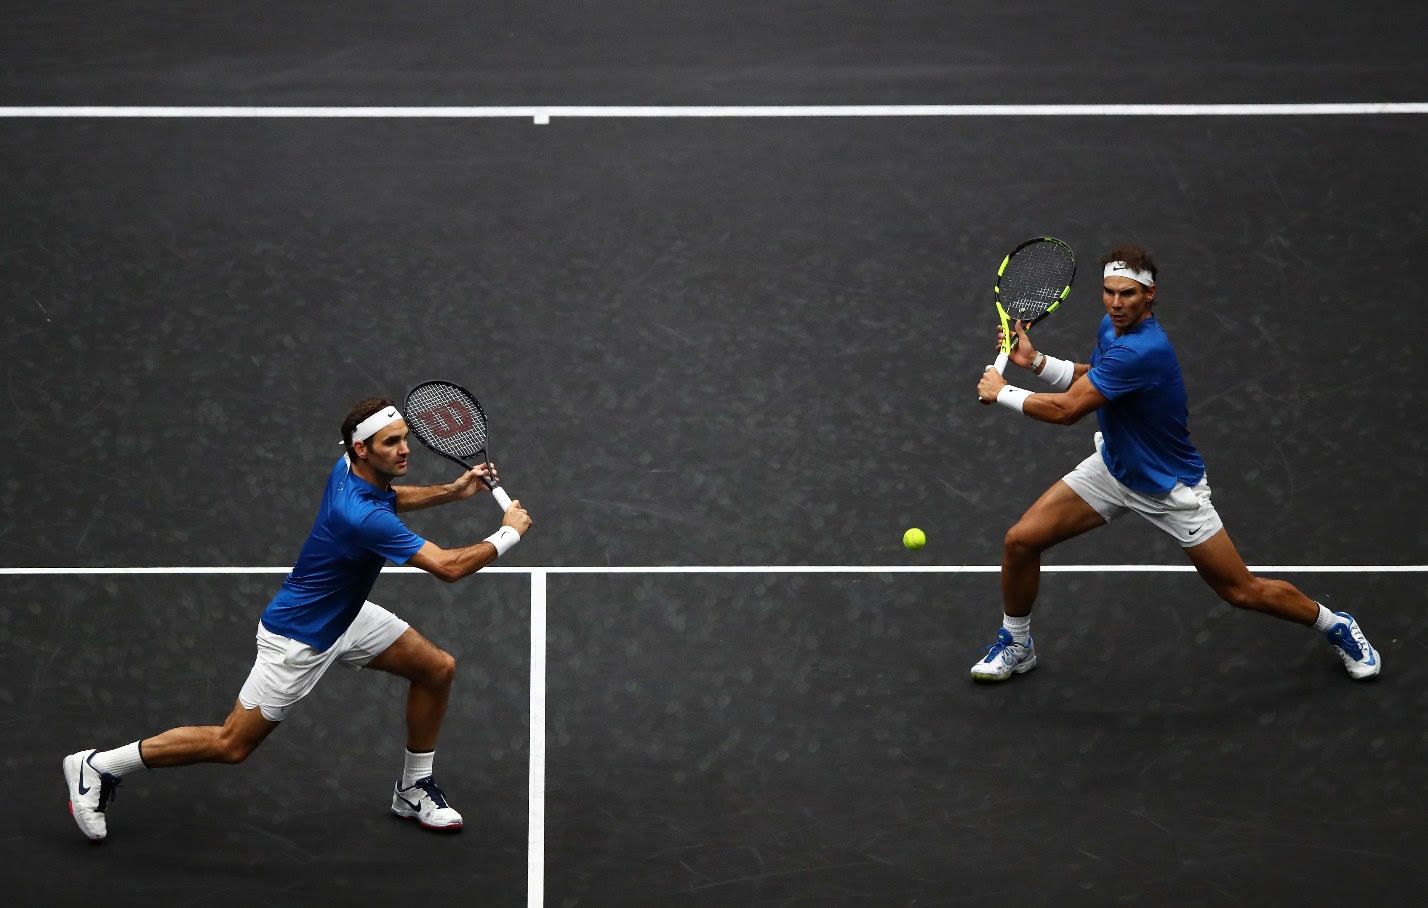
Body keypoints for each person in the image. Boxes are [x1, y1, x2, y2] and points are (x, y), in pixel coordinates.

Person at [62, 398, 533, 841]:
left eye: (405, 437)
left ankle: (413, 789)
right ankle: (100, 766)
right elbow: (448, 567)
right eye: (392, 442)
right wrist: (507, 533)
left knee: (436, 669)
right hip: (300, 636)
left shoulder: (350, 471)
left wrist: (450, 493)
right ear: (361, 448)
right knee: (232, 744)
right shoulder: (361, 516)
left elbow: (390, 497)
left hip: (345, 613)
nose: (405, 448)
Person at [971, 245, 1379, 683]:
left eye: (1127, 294)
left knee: (1240, 590)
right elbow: (1097, 380)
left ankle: (1334, 624)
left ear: (1150, 295)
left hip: (1169, 489)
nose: (1115, 303)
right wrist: (1036, 362)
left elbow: (1068, 411)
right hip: (1114, 467)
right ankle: (1017, 641)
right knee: (1020, 542)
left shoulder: (1146, 350)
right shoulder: (1113, 329)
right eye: (1109, 292)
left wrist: (1004, 392)